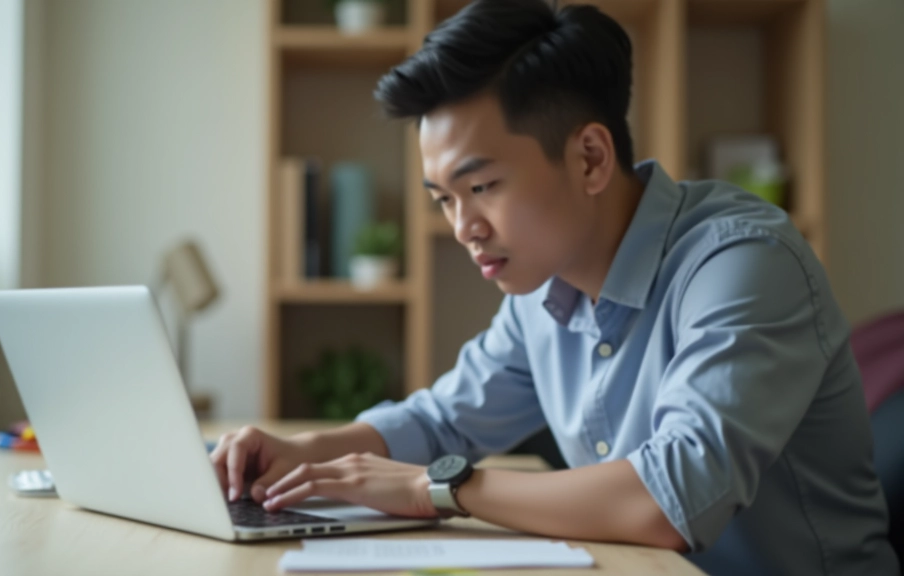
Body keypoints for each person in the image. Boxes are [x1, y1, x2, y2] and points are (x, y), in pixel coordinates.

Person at [210, 1, 898, 573]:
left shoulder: (744, 265)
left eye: (482, 187)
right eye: (444, 199)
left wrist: (436, 489)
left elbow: (668, 500)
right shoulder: (541, 292)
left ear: (590, 157)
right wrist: (302, 451)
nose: (464, 228)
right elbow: (444, 421)